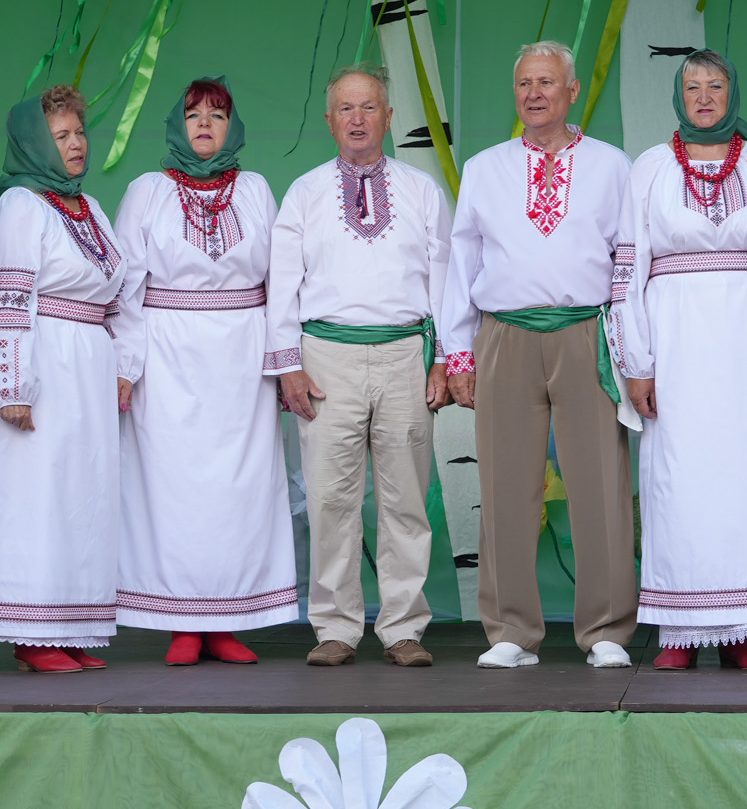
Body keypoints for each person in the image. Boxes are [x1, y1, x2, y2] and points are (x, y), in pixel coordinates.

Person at [444, 41, 638, 671]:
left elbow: (629, 261)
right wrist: (458, 353)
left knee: (599, 481)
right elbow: (462, 262)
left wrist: (632, 350)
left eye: (547, 82)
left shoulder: (611, 165)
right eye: (525, 82)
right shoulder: (485, 168)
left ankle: (606, 629)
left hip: (586, 332)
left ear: (572, 91)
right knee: (505, 483)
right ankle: (510, 630)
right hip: (505, 335)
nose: (534, 93)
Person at [266, 64, 451, 668]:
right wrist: (288, 365)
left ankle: (403, 627)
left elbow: (446, 281)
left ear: (389, 118)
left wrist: (446, 360)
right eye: (345, 108)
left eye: (369, 107)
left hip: (405, 352)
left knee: (406, 499)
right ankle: (336, 627)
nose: (357, 119)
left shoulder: (421, 189)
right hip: (326, 357)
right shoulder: (305, 192)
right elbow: (281, 286)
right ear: (329, 121)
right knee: (330, 499)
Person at [619, 51, 747, 671]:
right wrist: (637, 361)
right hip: (677, 346)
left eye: (715, 85)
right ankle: (679, 630)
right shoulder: (650, 167)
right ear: (678, 96)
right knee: (679, 476)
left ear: (731, 92)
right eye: (691, 86)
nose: (703, 96)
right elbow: (628, 268)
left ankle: (743, 630)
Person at [114, 77, 297, 666]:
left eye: (217, 115)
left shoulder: (256, 189)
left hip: (242, 361)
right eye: (193, 114)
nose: (204, 124)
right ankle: (182, 624)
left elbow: (281, 282)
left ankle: (229, 621)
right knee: (173, 488)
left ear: (232, 128)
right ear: (177, 124)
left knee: (240, 489)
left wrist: (283, 360)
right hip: (168, 358)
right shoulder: (146, 192)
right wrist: (126, 366)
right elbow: (126, 286)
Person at [0, 87, 131, 673]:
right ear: (35, 144)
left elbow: (116, 293)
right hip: (44, 361)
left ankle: (70, 623)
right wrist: (10, 386)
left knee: (81, 495)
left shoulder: (89, 207)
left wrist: (121, 365)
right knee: (35, 495)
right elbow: (7, 298)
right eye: (61, 136)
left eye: (79, 132)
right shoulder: (21, 204)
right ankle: (31, 634)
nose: (76, 144)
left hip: (87, 365)